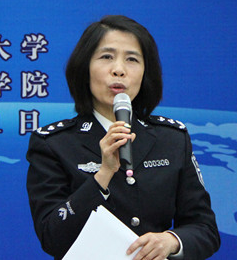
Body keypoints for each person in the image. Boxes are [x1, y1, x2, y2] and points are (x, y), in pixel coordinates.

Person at [26, 15, 220, 260]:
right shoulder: (53, 144)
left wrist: (171, 241)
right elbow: (51, 237)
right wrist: (103, 174)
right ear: (84, 68)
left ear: (145, 73)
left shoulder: (172, 139)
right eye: (106, 57)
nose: (119, 70)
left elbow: (205, 228)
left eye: (132, 59)